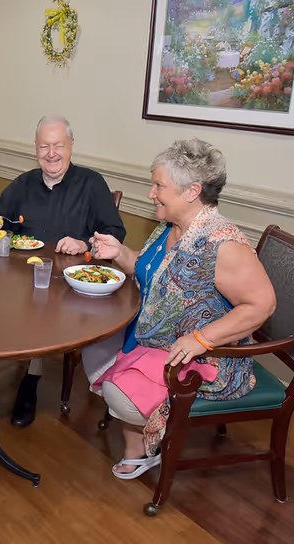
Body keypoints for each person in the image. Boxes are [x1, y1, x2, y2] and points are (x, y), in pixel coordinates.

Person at [88, 138, 276, 479]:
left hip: (206, 360)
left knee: (115, 390)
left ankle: (144, 446)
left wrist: (201, 339)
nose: (151, 194)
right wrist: (119, 253)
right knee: (93, 347)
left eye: (159, 185)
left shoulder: (222, 244)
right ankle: (142, 441)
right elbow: (151, 270)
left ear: (192, 191)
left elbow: (262, 305)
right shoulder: (170, 227)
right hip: (155, 341)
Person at [0, 115, 127, 427]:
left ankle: (30, 381)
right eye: (44, 146)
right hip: (21, 280)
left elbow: (115, 232)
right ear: (35, 149)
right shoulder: (23, 183)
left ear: (71, 147)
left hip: (71, 285)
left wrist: (86, 244)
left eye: (58, 146)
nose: (51, 153)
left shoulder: (91, 183)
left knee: (38, 309)